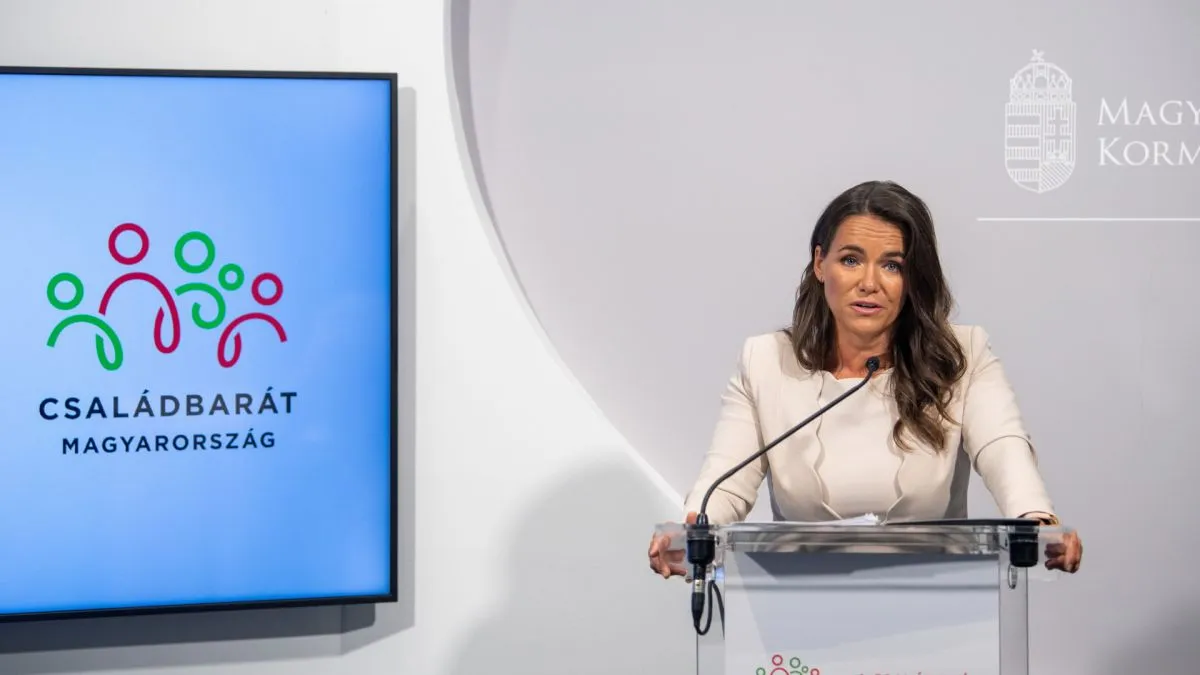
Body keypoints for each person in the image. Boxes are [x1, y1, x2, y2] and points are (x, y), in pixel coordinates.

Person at [647, 180, 1082, 578]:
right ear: (820, 263)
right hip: (799, 602)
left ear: (913, 279)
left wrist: (1035, 518)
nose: (869, 283)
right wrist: (690, 531)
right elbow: (724, 483)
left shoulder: (961, 355)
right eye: (851, 260)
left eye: (892, 265)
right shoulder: (765, 362)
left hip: (939, 601)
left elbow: (1003, 446)